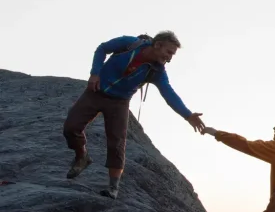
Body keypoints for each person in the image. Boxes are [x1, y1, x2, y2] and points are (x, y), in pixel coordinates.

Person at [63, 32, 205, 198]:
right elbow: (102, 48)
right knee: (71, 127)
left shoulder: (157, 71)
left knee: (117, 143)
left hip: (119, 103)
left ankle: (113, 188)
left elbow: (169, 94)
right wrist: (95, 73)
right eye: (169, 52)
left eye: (172, 54)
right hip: (96, 92)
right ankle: (82, 157)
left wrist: (188, 115)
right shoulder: (129, 44)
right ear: (157, 45)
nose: (170, 58)